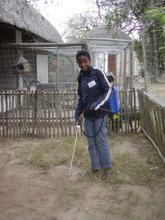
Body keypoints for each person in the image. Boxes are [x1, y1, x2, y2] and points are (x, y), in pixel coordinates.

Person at [75, 50, 112, 180]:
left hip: (100, 114)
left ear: (89, 60)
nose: (83, 64)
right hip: (88, 116)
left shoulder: (97, 72)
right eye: (80, 62)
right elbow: (81, 97)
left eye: (85, 61)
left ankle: (106, 167)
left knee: (100, 141)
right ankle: (95, 167)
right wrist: (77, 114)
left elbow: (108, 90)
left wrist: (97, 104)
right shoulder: (80, 77)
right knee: (91, 143)